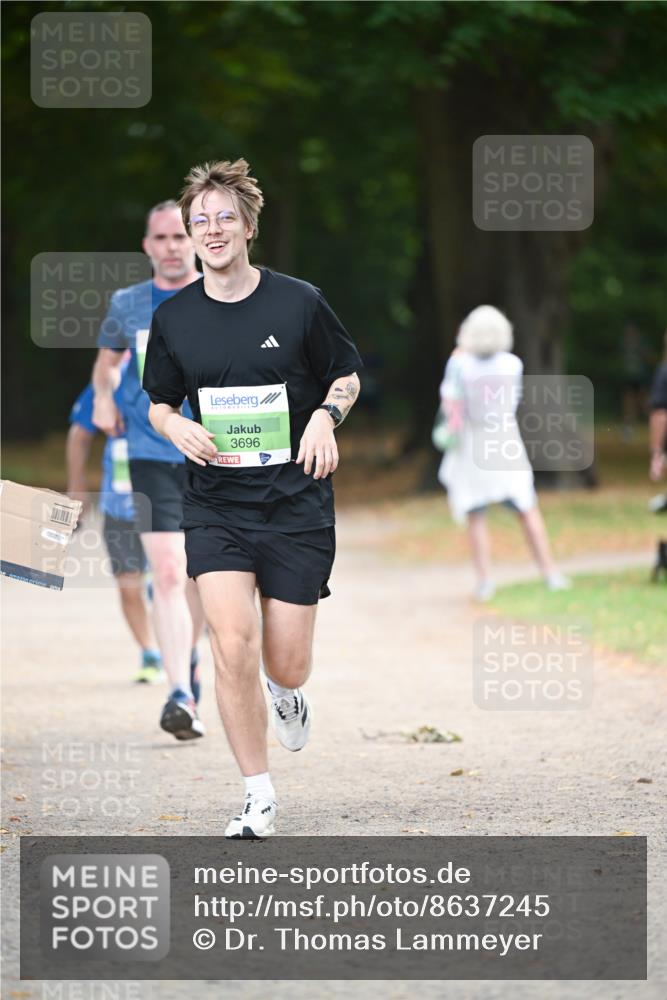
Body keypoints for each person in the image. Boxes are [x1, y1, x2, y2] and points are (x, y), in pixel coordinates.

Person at [142, 158, 362, 838]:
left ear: (247, 227)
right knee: (230, 642)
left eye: (223, 219)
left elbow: (345, 374)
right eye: (198, 221)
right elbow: (157, 403)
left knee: (284, 660)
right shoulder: (175, 318)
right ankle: (256, 794)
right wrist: (176, 425)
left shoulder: (297, 302)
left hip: (295, 504)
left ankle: (286, 692)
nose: (210, 230)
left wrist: (325, 417)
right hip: (216, 504)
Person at [91, 200, 205, 738]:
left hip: (216, 452)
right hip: (150, 450)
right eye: (161, 238)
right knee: (166, 571)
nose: (172, 246)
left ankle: (191, 656)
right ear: (147, 246)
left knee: (201, 577)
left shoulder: (221, 293)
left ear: (195, 239)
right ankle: (179, 692)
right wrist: (103, 399)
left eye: (180, 236)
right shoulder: (129, 304)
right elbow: (107, 363)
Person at [437, 305, 569, 601]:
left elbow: (450, 403)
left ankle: (485, 581)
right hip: (505, 439)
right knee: (526, 506)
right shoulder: (512, 364)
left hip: (473, 442)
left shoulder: (460, 365)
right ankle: (550, 572)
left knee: (475, 512)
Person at [67, 356, 163, 683]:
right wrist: (77, 488)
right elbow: (79, 434)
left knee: (173, 580)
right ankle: (150, 651)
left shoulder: (174, 370)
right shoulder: (109, 381)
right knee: (128, 586)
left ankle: (181, 647)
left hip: (167, 501)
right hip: (119, 505)